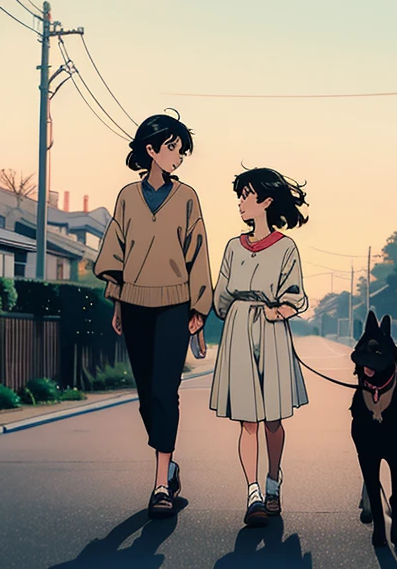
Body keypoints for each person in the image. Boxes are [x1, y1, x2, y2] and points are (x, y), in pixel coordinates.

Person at [94, 112, 212, 519]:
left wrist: (199, 310)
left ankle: (160, 483)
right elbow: (116, 249)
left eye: (181, 151)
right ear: (151, 150)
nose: (178, 157)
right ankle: (170, 461)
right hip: (135, 303)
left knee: (166, 390)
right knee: (146, 395)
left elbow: (198, 252)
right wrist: (117, 302)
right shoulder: (127, 196)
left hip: (176, 305)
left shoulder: (188, 198)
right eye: (172, 148)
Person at [210, 167, 309, 527]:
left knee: (273, 417)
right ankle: (253, 491)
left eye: (246, 195)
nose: (240, 202)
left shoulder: (286, 247)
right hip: (238, 326)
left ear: (266, 200)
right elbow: (221, 294)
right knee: (247, 418)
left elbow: (295, 294)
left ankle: (273, 479)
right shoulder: (233, 247)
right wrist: (215, 319)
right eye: (239, 196)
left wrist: (280, 310)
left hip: (271, 330)